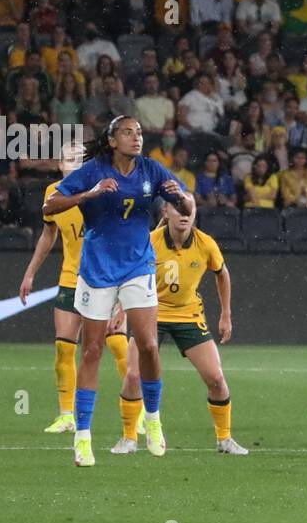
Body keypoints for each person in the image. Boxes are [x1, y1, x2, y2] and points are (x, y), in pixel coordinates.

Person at [41, 116, 194, 467]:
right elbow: (49, 207)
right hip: (97, 269)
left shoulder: (152, 170)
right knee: (92, 350)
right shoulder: (92, 171)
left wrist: (180, 200)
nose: (136, 137)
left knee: (150, 346)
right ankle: (83, 437)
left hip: (139, 266)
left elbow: (185, 206)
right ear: (112, 140)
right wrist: (89, 195)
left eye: (139, 132)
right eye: (128, 132)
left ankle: (152, 420)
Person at [115, 201, 247, 454]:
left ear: (195, 213)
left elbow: (222, 273)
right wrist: (122, 310)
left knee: (217, 379)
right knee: (133, 376)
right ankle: (129, 438)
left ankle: (224, 439)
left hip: (188, 314)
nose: (184, 215)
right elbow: (130, 275)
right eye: (178, 209)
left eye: (189, 210)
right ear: (166, 212)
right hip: (151, 311)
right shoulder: (150, 240)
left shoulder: (205, 243)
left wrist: (226, 314)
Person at [20, 143, 135, 434]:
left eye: (78, 159)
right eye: (67, 159)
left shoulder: (105, 190)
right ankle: (66, 415)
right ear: (60, 165)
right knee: (63, 348)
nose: (72, 163)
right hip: (71, 278)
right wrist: (30, 273)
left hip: (106, 279)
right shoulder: (53, 194)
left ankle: (138, 412)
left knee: (118, 344)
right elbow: (48, 234)